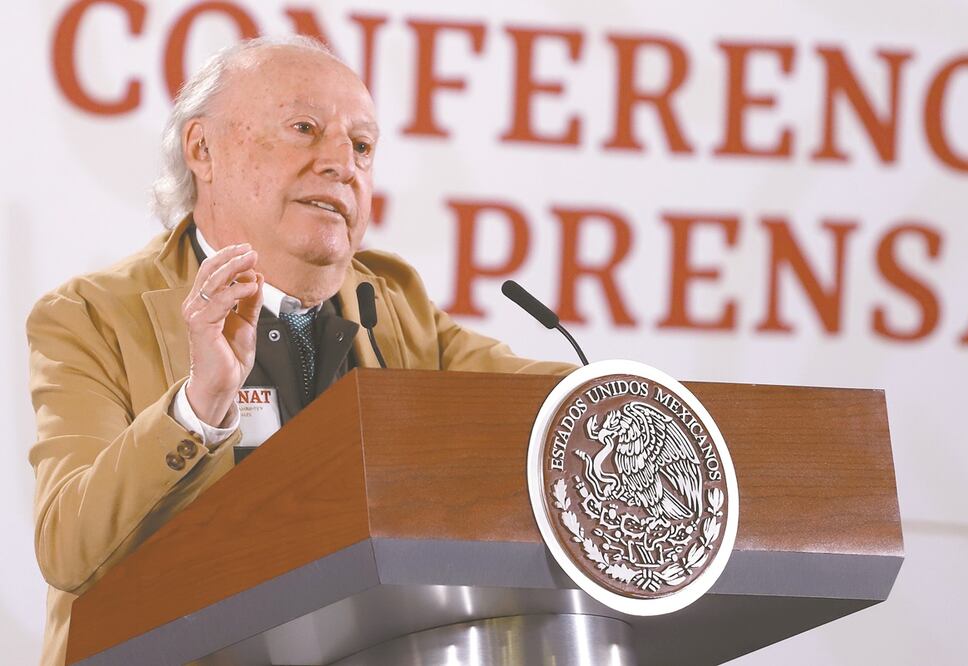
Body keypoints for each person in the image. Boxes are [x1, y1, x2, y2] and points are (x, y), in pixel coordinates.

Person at [26, 35, 573, 666]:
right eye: (305, 129)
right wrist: (199, 406)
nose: (342, 162)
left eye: (362, 146)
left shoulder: (392, 303)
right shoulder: (91, 317)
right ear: (203, 149)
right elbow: (68, 546)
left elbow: (546, 398)